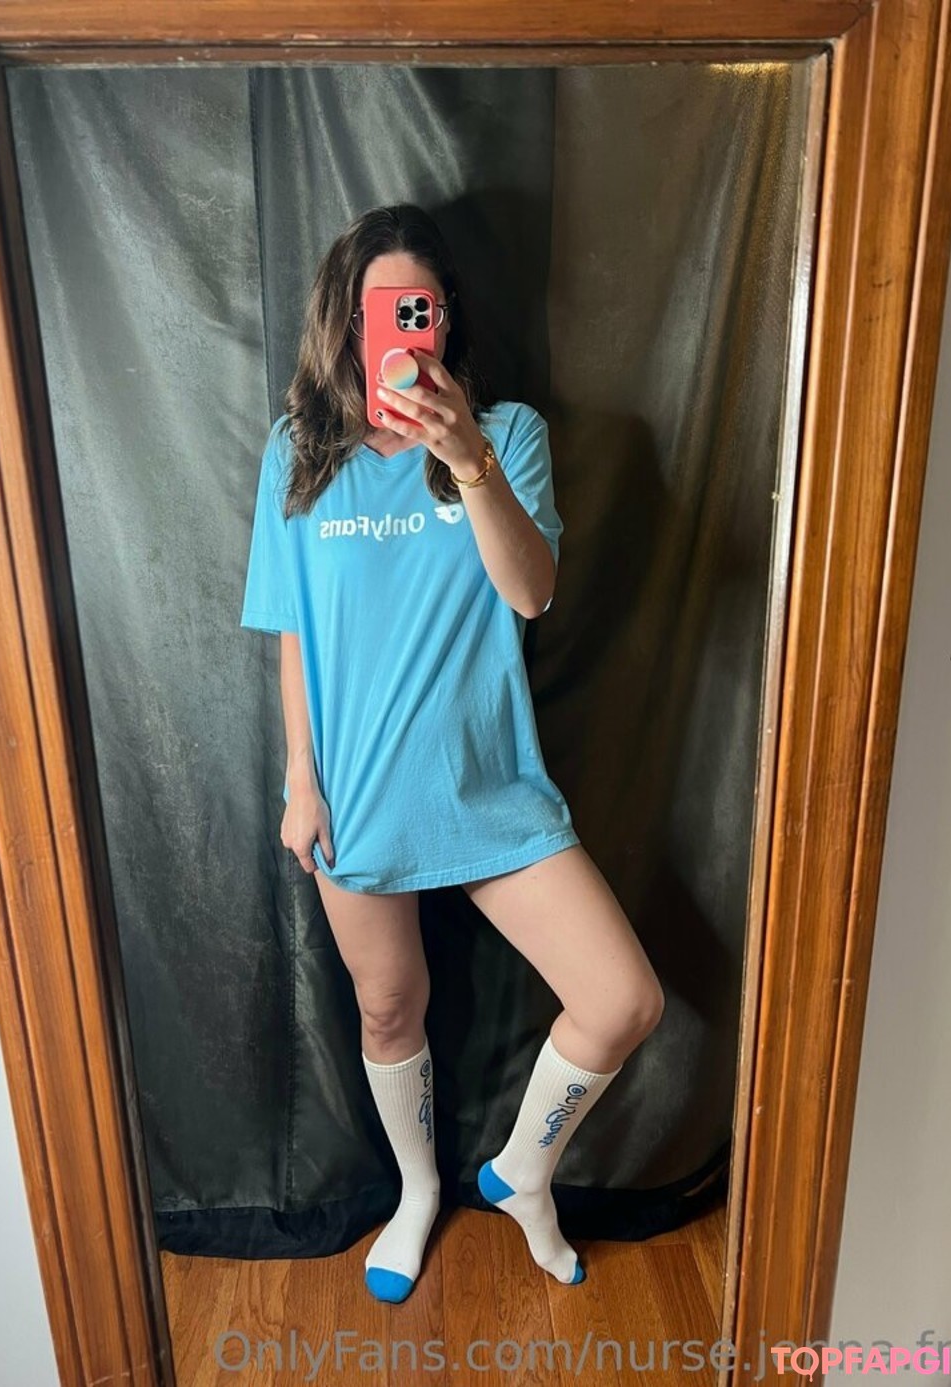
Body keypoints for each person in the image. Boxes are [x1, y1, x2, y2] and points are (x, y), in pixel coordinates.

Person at [240, 204, 665, 1304]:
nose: (398, 332)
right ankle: (419, 1189)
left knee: (623, 998)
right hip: (358, 796)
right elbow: (293, 630)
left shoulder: (505, 435)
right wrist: (299, 779)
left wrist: (466, 456)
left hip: (489, 791)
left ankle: (522, 1172)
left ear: (443, 319)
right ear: (345, 322)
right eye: (378, 311)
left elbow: (533, 592)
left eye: (417, 310)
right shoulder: (299, 455)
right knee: (390, 1009)